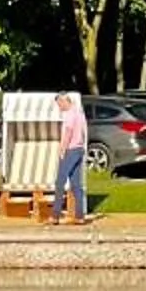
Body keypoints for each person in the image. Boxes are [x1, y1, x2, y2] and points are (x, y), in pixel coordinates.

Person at [49, 93, 92, 224]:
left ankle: (55, 215)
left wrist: (62, 149)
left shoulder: (68, 115)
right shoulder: (80, 114)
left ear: (64, 101)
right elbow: (84, 132)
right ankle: (80, 216)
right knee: (76, 185)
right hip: (79, 149)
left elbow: (67, 132)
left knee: (60, 182)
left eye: (59, 104)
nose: (59, 107)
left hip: (70, 150)